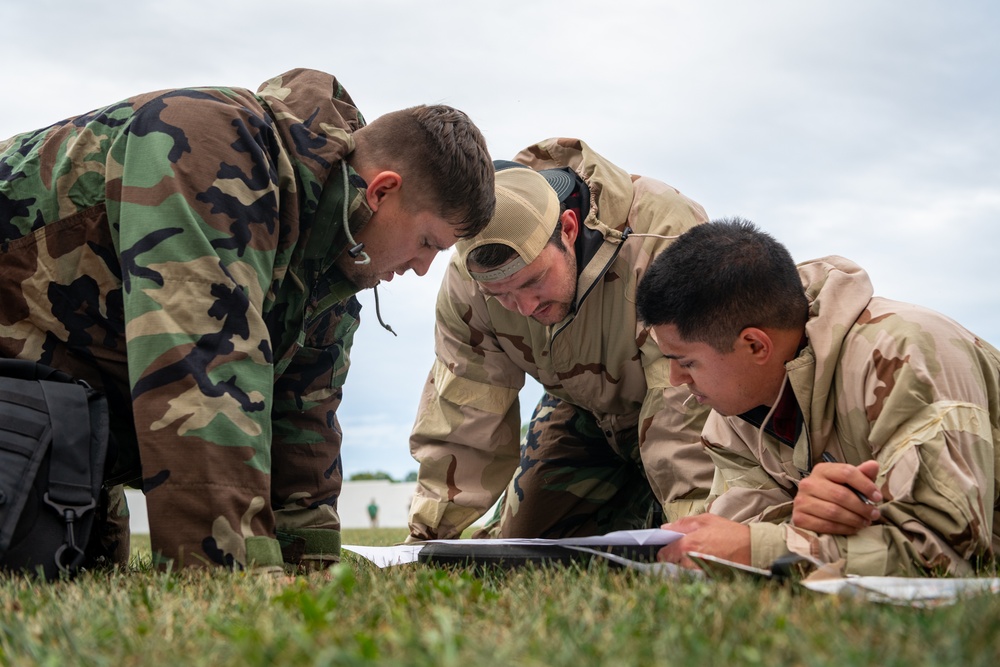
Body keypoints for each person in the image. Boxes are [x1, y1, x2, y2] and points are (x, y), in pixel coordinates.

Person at [0, 68, 494, 572]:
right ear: (382, 192)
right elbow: (200, 364)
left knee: (77, 554)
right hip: (25, 381)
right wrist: (239, 576)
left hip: (63, 399)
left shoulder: (333, 259)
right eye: (428, 242)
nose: (421, 268)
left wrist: (313, 566)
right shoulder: (209, 145)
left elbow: (304, 414)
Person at [635, 218, 1000, 576]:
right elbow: (736, 528)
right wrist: (798, 519)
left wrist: (760, 548)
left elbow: (946, 553)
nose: (676, 379)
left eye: (686, 362)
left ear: (754, 344)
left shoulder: (904, 358)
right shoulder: (735, 412)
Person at [408, 138, 716, 541]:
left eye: (533, 281)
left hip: (687, 403)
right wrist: (427, 538)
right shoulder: (467, 284)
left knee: (680, 533)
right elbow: (464, 412)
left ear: (569, 229)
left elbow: (685, 404)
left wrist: (694, 534)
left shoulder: (662, 234)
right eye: (500, 296)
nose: (523, 306)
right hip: (584, 407)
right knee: (524, 543)